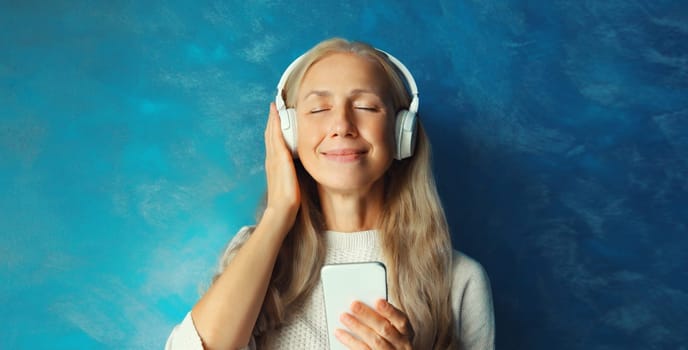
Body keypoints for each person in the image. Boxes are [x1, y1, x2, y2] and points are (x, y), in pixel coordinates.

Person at [166, 37, 494, 350]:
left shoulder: (460, 280)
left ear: (400, 131)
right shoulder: (256, 254)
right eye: (319, 109)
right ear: (290, 135)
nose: (341, 125)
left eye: (366, 106)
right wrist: (279, 212)